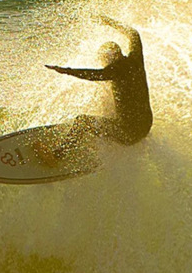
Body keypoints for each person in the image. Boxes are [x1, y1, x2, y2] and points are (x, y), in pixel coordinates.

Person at [40, 15, 152, 163]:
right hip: (145, 126)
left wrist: (66, 70)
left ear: (109, 59)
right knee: (107, 115)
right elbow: (133, 34)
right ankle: (93, 145)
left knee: (83, 121)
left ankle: (58, 156)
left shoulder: (114, 71)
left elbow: (92, 75)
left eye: (104, 61)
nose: (104, 64)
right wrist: (108, 21)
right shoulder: (135, 59)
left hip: (128, 133)